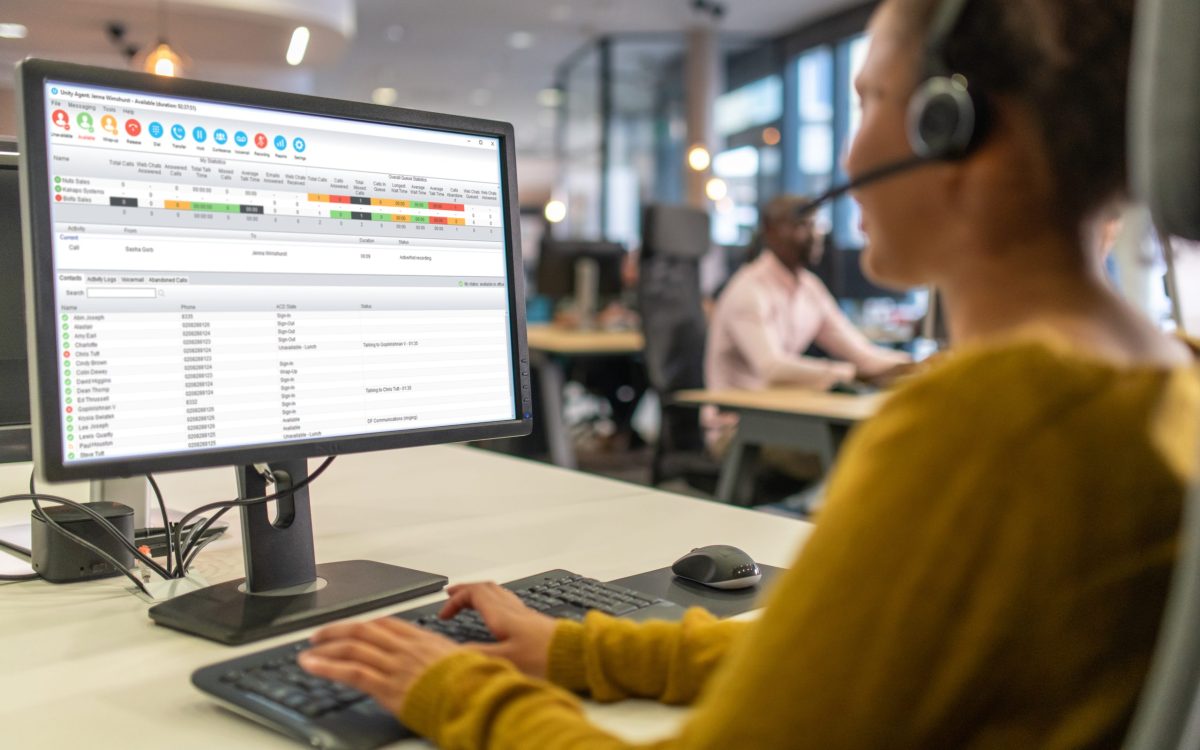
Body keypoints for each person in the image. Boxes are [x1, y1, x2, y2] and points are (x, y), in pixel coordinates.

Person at [298, 0, 1200, 746]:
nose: (848, 160)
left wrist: (456, 692)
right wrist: (580, 653)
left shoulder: (991, 425)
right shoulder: (1159, 381)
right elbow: (846, 652)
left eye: (869, 100)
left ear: (950, 128)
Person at [702, 194, 913, 462]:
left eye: (817, 225)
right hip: (738, 430)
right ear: (770, 231)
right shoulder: (748, 289)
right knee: (869, 450)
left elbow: (862, 354)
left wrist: (916, 366)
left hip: (788, 418)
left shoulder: (809, 288)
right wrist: (845, 374)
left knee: (890, 435)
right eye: (802, 226)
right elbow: (772, 368)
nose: (815, 235)